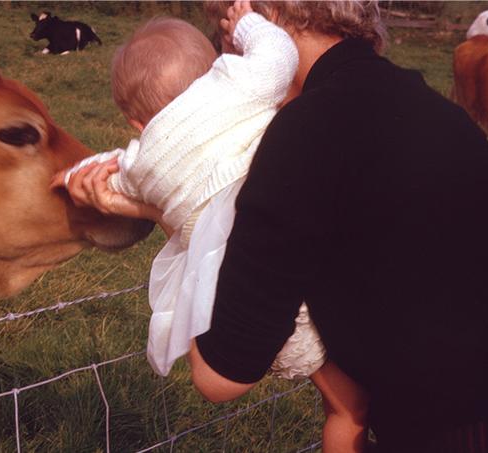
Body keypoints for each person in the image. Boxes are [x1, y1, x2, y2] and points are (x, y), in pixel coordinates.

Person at [55, 6, 369, 452]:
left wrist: (71, 177)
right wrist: (248, 24)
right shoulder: (235, 89)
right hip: (309, 268)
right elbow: (278, 56)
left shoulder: (145, 160)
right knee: (350, 409)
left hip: (240, 303)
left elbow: (110, 169)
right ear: (213, 70)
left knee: (339, 400)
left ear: (135, 124)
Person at [183, 1, 488, 452]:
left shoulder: (306, 128)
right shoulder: (442, 113)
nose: (222, 60)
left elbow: (222, 375)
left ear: (261, 18)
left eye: (225, 34)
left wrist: (174, 210)